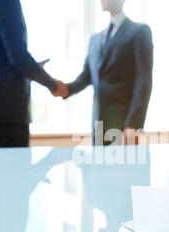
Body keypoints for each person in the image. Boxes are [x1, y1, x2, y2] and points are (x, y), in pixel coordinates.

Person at [54, 0, 154, 146]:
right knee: (99, 168)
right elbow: (86, 77)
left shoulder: (139, 32)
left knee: (125, 168)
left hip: (125, 126)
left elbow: (143, 80)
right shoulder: (94, 39)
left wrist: (134, 124)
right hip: (98, 126)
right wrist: (66, 89)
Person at [0, 0, 65, 148]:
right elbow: (19, 58)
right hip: (9, 111)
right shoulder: (6, 2)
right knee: (14, 169)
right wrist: (52, 84)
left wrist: (29, 68)